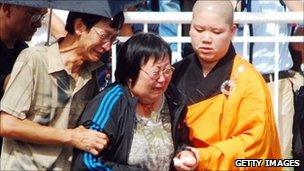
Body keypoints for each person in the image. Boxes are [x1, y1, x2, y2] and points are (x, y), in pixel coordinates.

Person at [0, 11, 124, 170]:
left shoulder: (91, 76)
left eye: (113, 39)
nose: (107, 46)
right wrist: (71, 136)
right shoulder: (34, 59)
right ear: (79, 26)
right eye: (104, 36)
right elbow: (7, 124)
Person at [171, 1, 281, 170]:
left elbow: (255, 144)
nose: (206, 39)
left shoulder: (248, 80)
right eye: (199, 30)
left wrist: (202, 156)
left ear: (232, 31)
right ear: (190, 28)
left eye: (216, 32)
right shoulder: (175, 73)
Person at [72, 32, 198, 171]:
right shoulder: (111, 103)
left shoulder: (174, 98)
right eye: (155, 72)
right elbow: (86, 162)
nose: (162, 79)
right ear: (130, 74)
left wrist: (185, 153)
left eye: (167, 70)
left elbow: (181, 141)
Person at [233, 0, 304, 159]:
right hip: (239, 82)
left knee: (280, 152)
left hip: (277, 82)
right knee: (240, 152)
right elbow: (215, 16)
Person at [0, 3, 47, 155]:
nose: (39, 23)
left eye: (42, 16)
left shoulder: (24, 52)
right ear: (7, 9)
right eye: (33, 14)